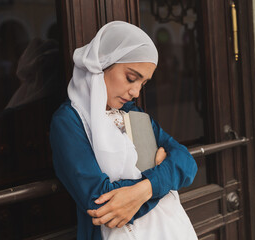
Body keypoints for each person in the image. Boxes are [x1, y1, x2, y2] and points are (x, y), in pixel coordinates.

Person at [50, 21, 198, 240]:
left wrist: (147, 188)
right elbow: (102, 204)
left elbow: (187, 162)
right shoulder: (69, 121)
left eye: (143, 83)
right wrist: (162, 179)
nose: (136, 91)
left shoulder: (132, 115)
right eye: (131, 78)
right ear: (102, 65)